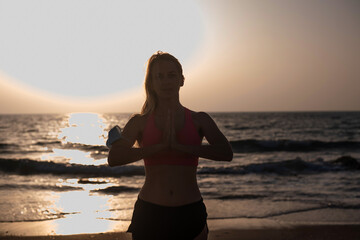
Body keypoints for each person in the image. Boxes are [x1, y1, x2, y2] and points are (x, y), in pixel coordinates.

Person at [107, 51, 233, 240]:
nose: (166, 81)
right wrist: (158, 147)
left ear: (182, 80)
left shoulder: (200, 119)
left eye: (171, 75)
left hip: (190, 212)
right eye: (159, 76)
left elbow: (226, 152)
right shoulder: (139, 122)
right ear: (152, 83)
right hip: (150, 211)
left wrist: (181, 147)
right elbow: (114, 158)